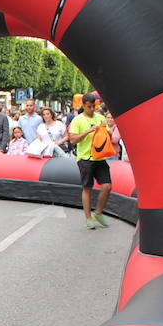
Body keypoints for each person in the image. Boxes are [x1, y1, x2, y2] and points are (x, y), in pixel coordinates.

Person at [68, 93, 112, 230]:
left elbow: (110, 135)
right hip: (85, 158)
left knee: (107, 186)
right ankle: (88, 218)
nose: (92, 109)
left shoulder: (100, 117)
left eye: (94, 106)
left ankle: (98, 212)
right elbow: (73, 140)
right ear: (83, 105)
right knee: (88, 188)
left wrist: (106, 128)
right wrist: (88, 131)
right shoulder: (77, 120)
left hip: (100, 157)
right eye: (89, 107)